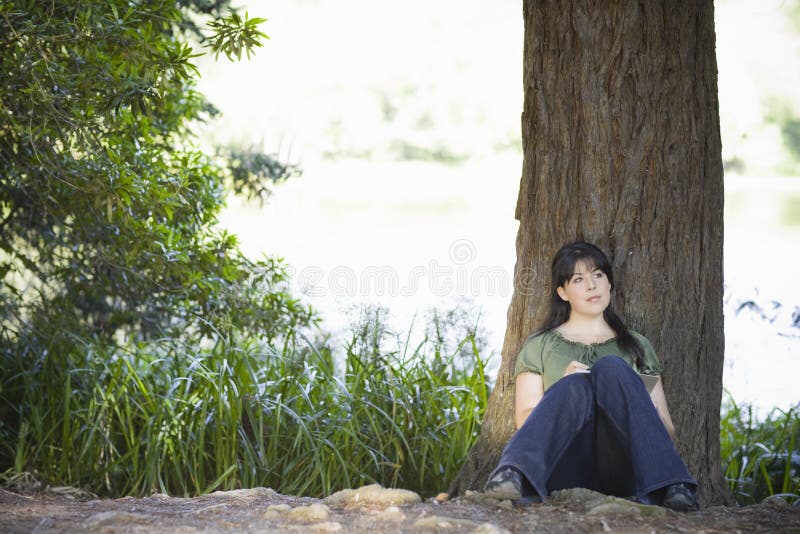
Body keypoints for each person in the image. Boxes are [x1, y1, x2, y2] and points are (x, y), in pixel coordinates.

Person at [483, 241, 698, 511]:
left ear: (610, 284)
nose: (591, 286)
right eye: (578, 279)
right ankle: (514, 474)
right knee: (574, 384)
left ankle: (673, 485)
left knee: (612, 367)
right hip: (565, 464)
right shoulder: (540, 345)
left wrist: (633, 398)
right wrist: (563, 387)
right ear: (562, 292)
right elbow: (524, 419)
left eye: (598, 275)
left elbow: (667, 429)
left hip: (622, 466)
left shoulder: (636, 346)